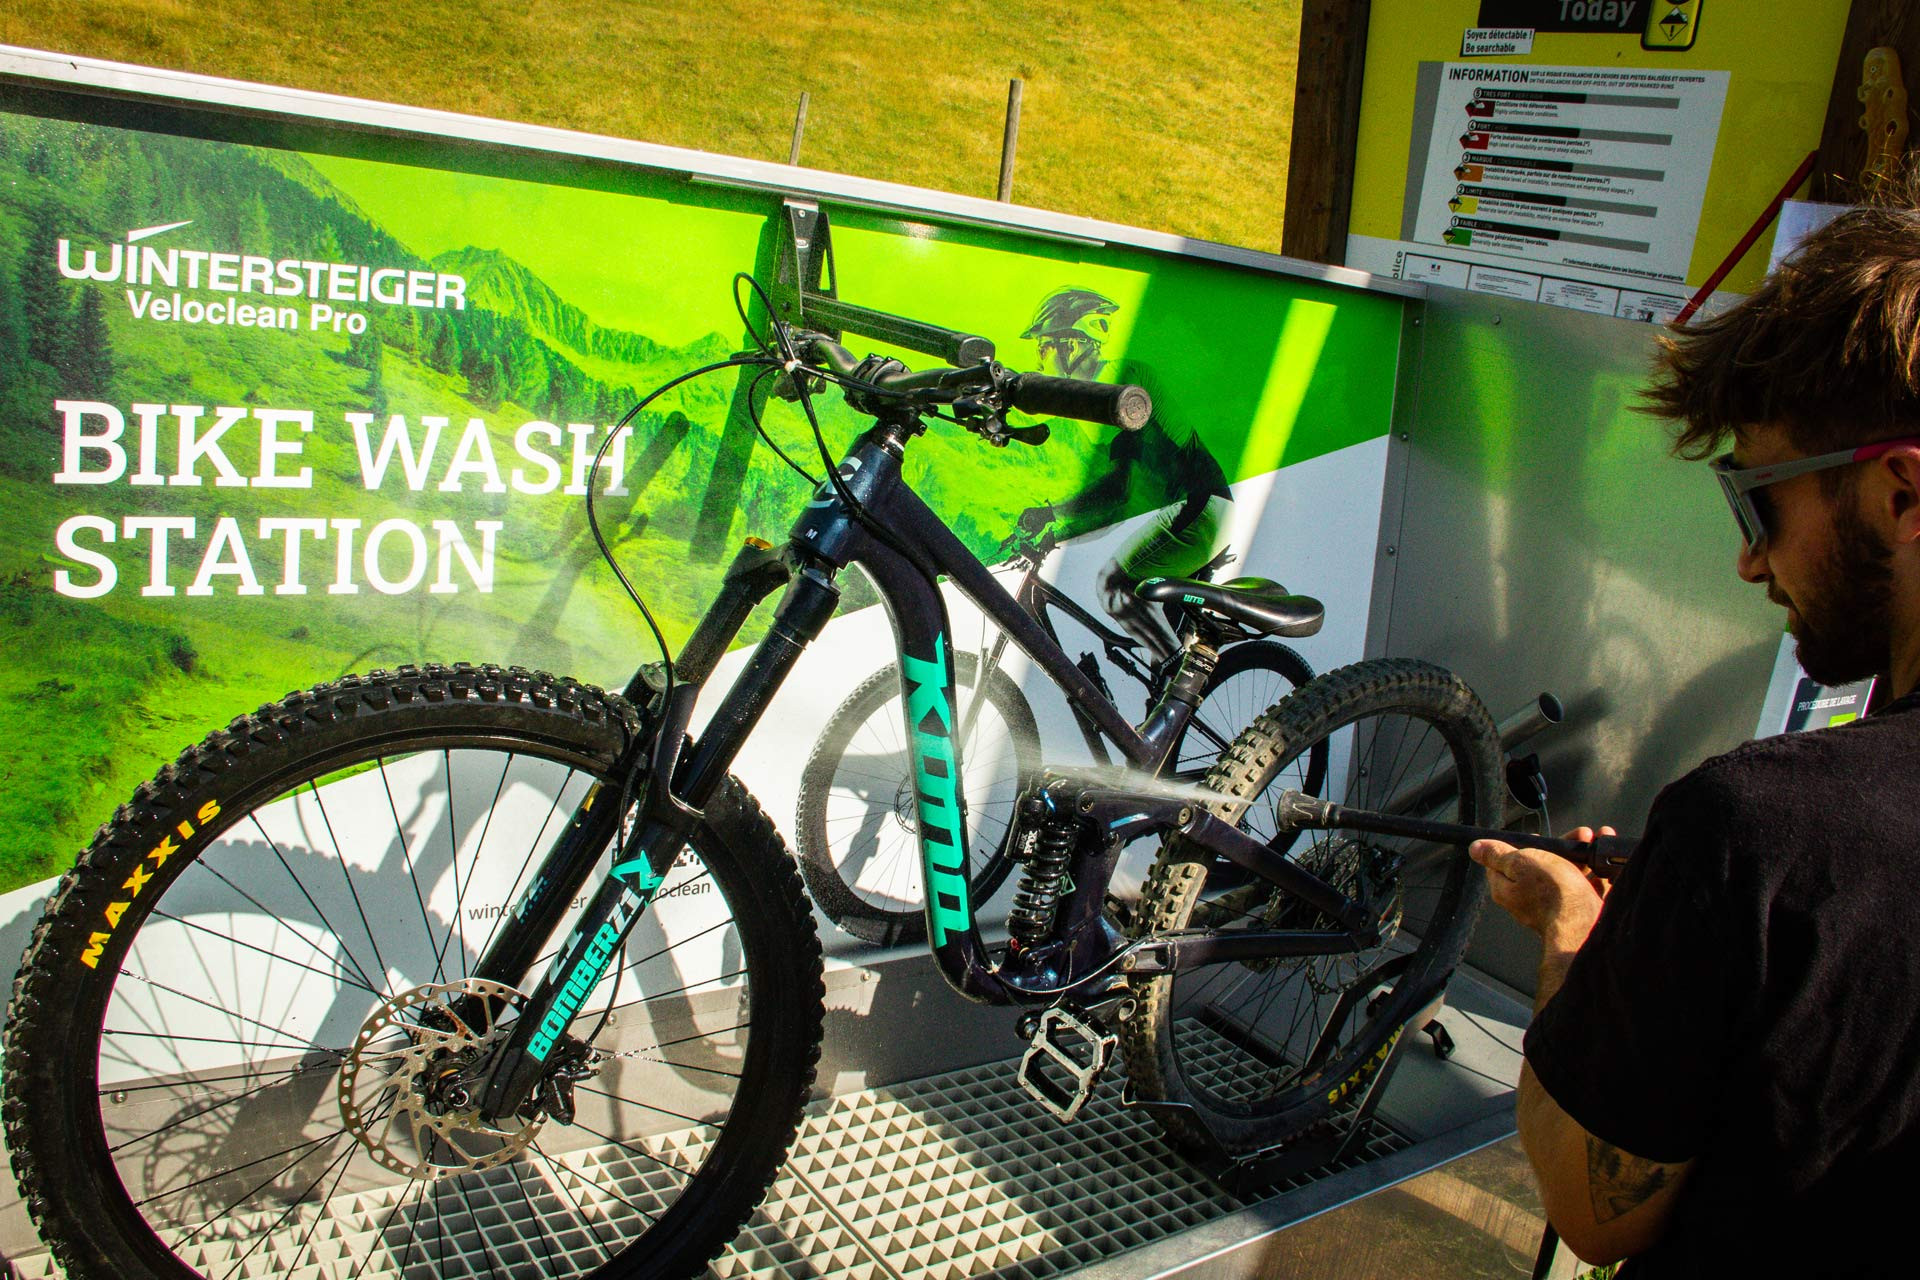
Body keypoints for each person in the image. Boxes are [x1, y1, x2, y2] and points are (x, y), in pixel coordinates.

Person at [1467, 200, 1920, 1274]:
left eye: (1755, 502)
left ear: (1902, 492)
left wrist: (1576, 930)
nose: (1750, 564)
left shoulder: (1763, 829)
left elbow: (1593, 1203)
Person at [1013, 288, 1235, 664]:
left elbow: (1117, 490)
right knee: (1154, 649)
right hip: (1192, 516)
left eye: (1044, 345)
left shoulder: (1121, 382)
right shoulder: (1094, 401)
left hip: (1198, 509)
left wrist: (1051, 514)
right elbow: (1116, 508)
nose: (1040, 356)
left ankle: (1173, 680)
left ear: (1072, 343)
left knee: (1114, 585)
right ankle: (1171, 696)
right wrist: (1059, 532)